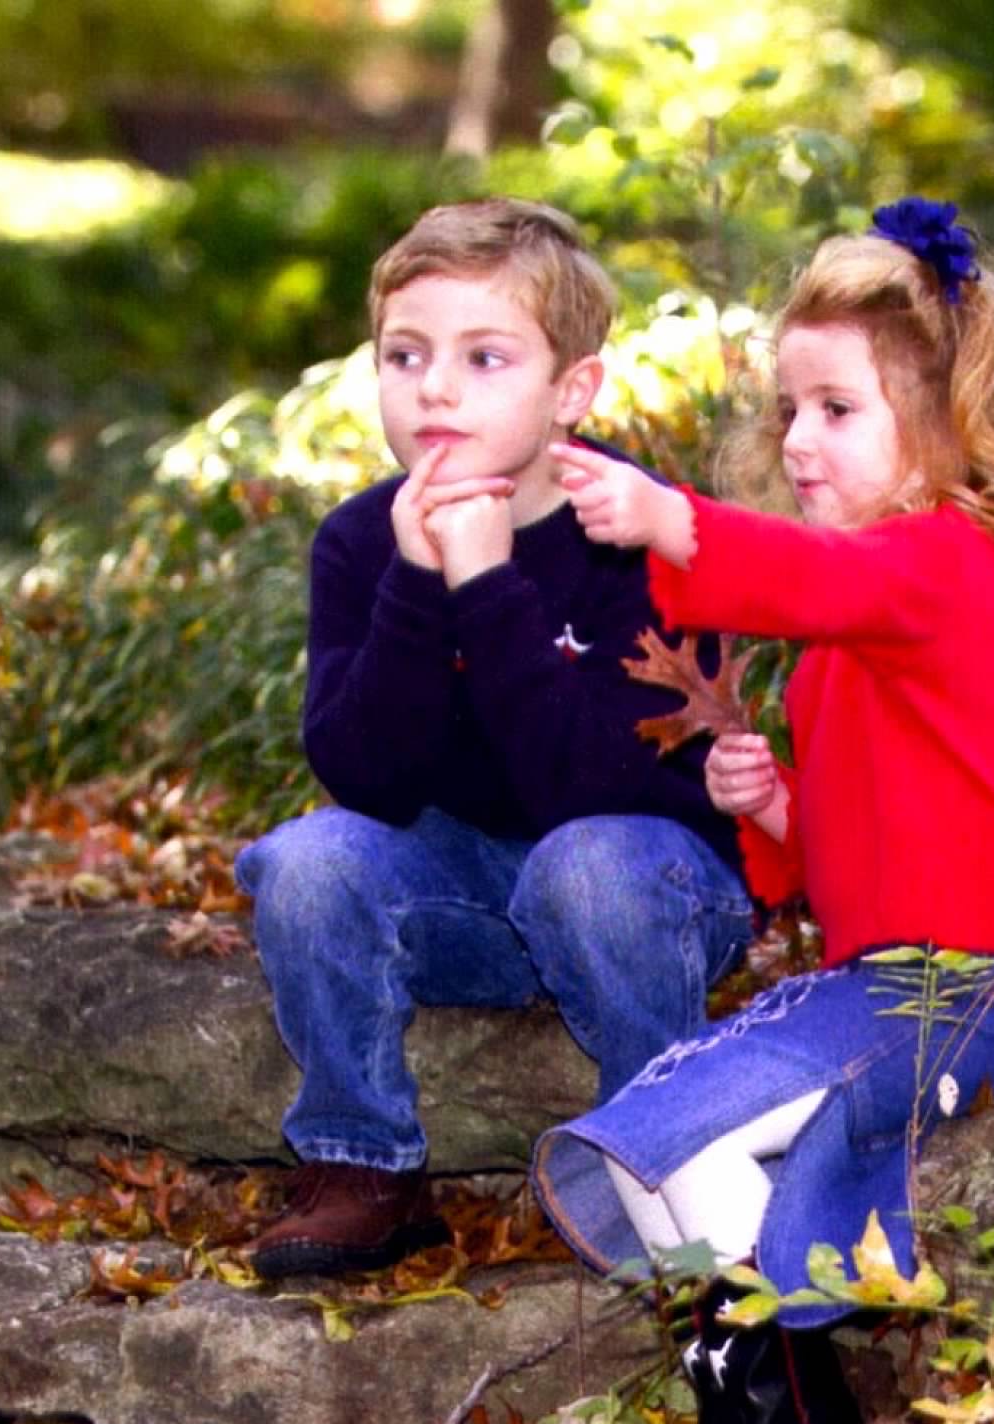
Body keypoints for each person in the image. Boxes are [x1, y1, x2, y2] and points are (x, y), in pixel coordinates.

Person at [532, 196, 994, 1424]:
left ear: (948, 432)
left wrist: (669, 521)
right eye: (787, 410)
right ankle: (773, 1420)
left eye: (835, 410)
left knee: (677, 1143)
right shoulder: (848, 650)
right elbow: (854, 849)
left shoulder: (942, 567)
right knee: (649, 1139)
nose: (795, 440)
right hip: (884, 975)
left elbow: (812, 581)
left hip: (976, 978)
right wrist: (776, 806)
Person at [236, 199, 751, 1280]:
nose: (435, 388)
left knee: (587, 864)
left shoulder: (633, 535)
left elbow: (596, 787)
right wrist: (423, 583)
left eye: (484, 357)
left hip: (646, 886)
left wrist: (486, 583)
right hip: (467, 894)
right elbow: (364, 774)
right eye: (405, 354)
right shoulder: (360, 542)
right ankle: (361, 1159)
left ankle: (656, 1158)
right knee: (302, 860)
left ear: (572, 391)